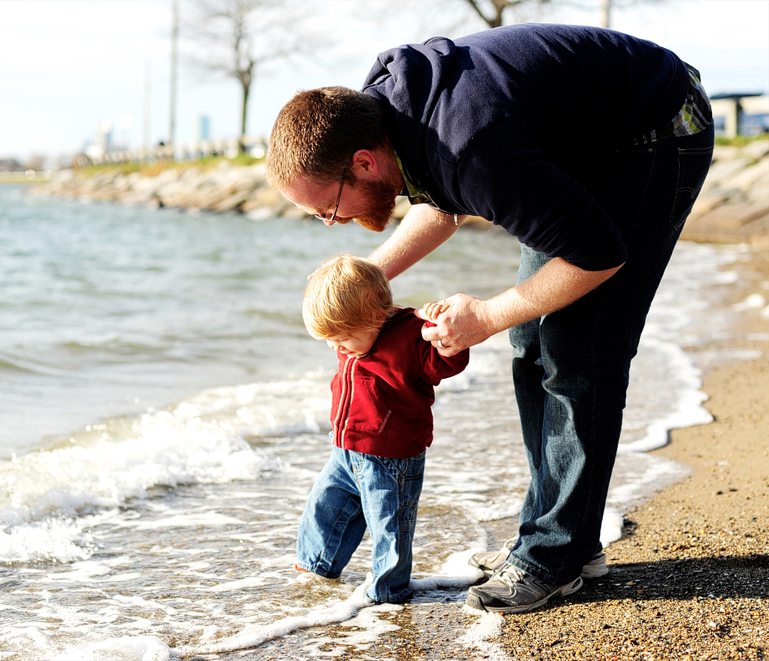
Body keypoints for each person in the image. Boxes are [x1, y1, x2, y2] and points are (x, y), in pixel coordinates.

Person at [266, 24, 714, 613]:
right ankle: (562, 538)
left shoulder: (473, 150)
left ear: (364, 162)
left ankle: (554, 556)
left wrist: (485, 315)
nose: (332, 222)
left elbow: (598, 256)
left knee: (578, 350)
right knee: (531, 340)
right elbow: (443, 202)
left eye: (327, 209)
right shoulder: (386, 117)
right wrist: (358, 288)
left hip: (655, 131)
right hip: (582, 138)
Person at [296, 254, 470, 603]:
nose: (336, 347)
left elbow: (448, 362)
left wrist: (444, 334)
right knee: (324, 507)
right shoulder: (356, 328)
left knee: (389, 526)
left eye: (342, 339)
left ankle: (388, 593)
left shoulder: (411, 336)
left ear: (376, 317)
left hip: (391, 457)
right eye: (329, 341)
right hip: (345, 449)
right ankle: (316, 567)